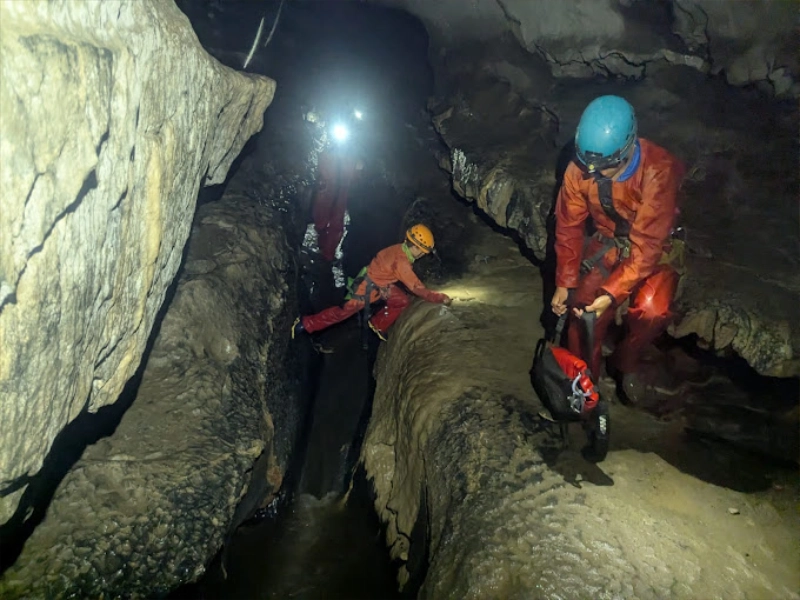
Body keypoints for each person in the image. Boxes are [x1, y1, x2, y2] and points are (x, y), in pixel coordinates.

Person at [550, 95, 686, 404]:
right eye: (588, 166)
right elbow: (568, 226)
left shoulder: (658, 171)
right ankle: (584, 386)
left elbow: (647, 247)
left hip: (654, 251)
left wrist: (611, 293)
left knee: (652, 310)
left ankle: (626, 363)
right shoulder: (579, 169)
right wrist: (564, 281)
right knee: (581, 314)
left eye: (603, 168)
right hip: (607, 244)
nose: (593, 174)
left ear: (626, 151)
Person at [292, 224, 451, 341]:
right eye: (423, 251)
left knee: (401, 300)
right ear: (415, 247)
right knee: (342, 313)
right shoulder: (401, 261)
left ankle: (378, 324)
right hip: (365, 288)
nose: (423, 254)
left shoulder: (401, 249)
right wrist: (438, 297)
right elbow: (416, 287)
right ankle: (306, 324)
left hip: (381, 283)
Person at [312, 143, 363, 262]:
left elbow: (356, 176)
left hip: (343, 189)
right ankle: (321, 239)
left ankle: (328, 254)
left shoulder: (352, 154)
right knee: (321, 216)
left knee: (336, 221)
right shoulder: (328, 151)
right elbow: (320, 168)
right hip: (328, 186)